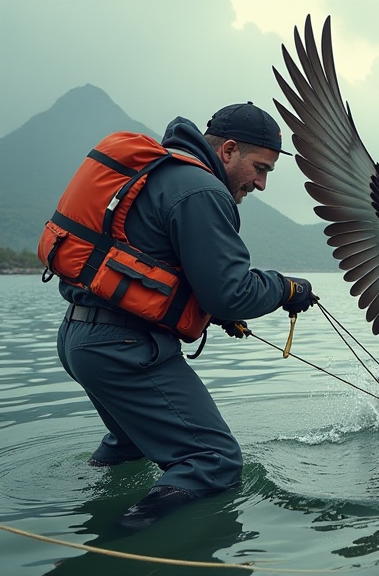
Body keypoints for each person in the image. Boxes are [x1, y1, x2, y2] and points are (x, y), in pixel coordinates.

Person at [46, 102, 318, 529]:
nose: (262, 184)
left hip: (78, 338)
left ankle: (82, 512)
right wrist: (286, 288)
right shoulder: (202, 190)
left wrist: (212, 309)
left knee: (130, 444)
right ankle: (116, 548)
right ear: (228, 151)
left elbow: (163, 267)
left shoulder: (163, 172)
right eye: (260, 168)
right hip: (123, 348)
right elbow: (231, 291)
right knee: (213, 461)